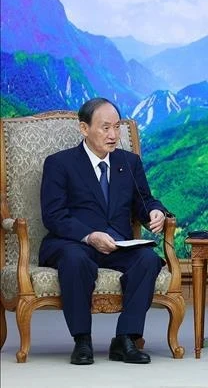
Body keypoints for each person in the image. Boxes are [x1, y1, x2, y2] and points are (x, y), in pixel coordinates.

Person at [39, 97, 169, 365]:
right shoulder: (59, 164)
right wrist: (89, 236)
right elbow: (53, 216)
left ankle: (125, 339)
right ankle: (82, 341)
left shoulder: (128, 162)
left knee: (147, 259)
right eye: (105, 128)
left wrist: (156, 212)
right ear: (84, 129)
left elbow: (144, 201)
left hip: (117, 245)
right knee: (75, 260)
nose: (113, 135)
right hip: (74, 243)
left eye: (117, 127)